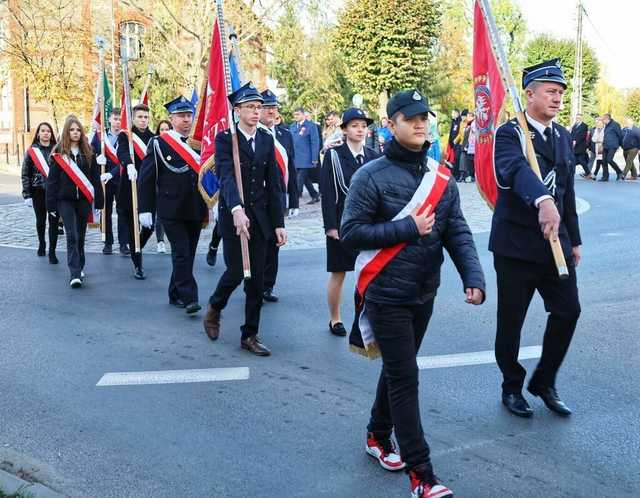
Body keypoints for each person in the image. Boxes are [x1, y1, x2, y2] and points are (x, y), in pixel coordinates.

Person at [341, 89, 485, 498]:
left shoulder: (440, 175)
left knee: (397, 368)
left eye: (425, 117)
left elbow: (456, 229)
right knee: (406, 376)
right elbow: (351, 233)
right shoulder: (369, 175)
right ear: (392, 124)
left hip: (424, 290)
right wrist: (406, 228)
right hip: (386, 293)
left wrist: (472, 275)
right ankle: (422, 475)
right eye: (411, 117)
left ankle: (376, 433)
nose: (421, 123)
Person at [491, 58, 582, 419]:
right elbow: (513, 170)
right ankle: (511, 385)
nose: (557, 98)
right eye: (550, 91)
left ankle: (544, 381)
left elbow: (567, 193)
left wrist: (574, 238)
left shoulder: (561, 135)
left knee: (569, 311)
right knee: (511, 321)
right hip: (516, 246)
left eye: (560, 92)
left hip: (555, 245)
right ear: (529, 95)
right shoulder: (510, 133)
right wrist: (542, 200)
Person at [202, 82, 286, 356]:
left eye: (258, 107)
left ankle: (249, 335)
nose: (255, 111)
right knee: (238, 271)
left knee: (257, 281)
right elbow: (225, 175)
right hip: (233, 217)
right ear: (237, 110)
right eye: (249, 107)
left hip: (260, 219)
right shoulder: (227, 139)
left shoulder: (265, 139)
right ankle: (215, 307)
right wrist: (236, 208)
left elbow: (273, 184)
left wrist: (278, 223)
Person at [138, 96, 207, 314]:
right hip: (171, 209)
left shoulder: (200, 143)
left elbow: (208, 175)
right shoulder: (159, 143)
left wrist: (213, 200)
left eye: (189, 115)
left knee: (189, 253)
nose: (186, 120)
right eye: (181, 116)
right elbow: (146, 178)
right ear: (171, 118)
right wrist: (145, 208)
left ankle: (174, 292)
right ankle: (190, 297)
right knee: (181, 253)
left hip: (195, 207)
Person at [320, 107, 378, 336]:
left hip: (369, 224)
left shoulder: (374, 156)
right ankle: (335, 318)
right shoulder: (333, 155)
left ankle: (370, 316)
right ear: (344, 129)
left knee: (371, 271)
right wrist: (331, 226)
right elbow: (327, 193)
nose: (360, 130)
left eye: (363, 126)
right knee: (339, 272)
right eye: (354, 126)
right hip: (343, 224)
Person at [46, 116, 104, 288]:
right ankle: (74, 273)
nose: (75, 132)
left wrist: (99, 200)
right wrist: (51, 206)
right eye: (72, 130)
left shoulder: (89, 151)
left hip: (83, 200)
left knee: (81, 235)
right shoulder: (59, 153)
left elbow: (94, 177)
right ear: (66, 132)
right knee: (72, 235)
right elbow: (52, 181)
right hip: (65, 200)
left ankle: (80, 264)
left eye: (78, 130)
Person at [106, 103, 155, 278]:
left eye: (146, 117)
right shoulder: (126, 136)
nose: (143, 120)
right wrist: (128, 165)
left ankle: (137, 247)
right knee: (134, 228)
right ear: (133, 118)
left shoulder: (153, 137)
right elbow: (123, 153)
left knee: (150, 226)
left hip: (148, 190)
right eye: (140, 117)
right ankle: (138, 265)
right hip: (129, 189)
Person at [259, 89, 298, 303]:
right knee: (260, 242)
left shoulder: (284, 135)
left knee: (275, 241)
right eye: (267, 107)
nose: (272, 111)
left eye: (274, 107)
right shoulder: (253, 134)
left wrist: (293, 200)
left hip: (277, 198)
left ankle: (267, 286)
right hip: (258, 198)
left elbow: (290, 167)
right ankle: (254, 282)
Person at [91, 107, 128, 255]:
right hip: (104, 179)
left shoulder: (127, 136)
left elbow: (127, 158)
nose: (118, 122)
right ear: (110, 120)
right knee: (105, 211)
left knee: (122, 212)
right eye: (115, 119)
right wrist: (96, 159)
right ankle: (108, 242)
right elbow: (90, 152)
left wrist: (113, 173)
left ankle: (123, 243)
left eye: (120, 119)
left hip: (121, 178)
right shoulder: (100, 136)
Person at [21, 122, 59, 264]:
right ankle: (42, 243)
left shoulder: (57, 149)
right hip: (38, 191)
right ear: (38, 133)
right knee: (41, 220)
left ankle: (52, 251)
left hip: (54, 192)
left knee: (54, 221)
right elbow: (25, 174)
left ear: (51, 133)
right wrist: (27, 194)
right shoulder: (32, 151)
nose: (46, 133)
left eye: (48, 131)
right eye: (43, 131)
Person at [291, 107, 320, 204]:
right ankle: (315, 195)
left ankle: (294, 200)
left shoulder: (311, 126)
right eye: (294, 115)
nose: (296, 116)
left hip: (306, 158)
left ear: (303, 115)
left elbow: (315, 142)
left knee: (299, 179)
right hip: (295, 158)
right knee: (305, 179)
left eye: (298, 114)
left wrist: (314, 158)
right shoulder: (292, 126)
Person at [153, 119, 173, 252]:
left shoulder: (177, 144)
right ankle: (160, 241)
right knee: (160, 214)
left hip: (173, 185)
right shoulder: (155, 143)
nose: (165, 132)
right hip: (158, 184)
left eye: (167, 129)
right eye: (162, 129)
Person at [601, 113, 623, 181]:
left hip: (613, 145)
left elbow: (620, 135)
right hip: (605, 146)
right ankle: (605, 177)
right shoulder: (606, 126)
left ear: (607, 119)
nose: (602, 121)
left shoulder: (615, 125)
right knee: (604, 161)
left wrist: (619, 145)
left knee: (609, 160)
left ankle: (619, 172)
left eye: (603, 119)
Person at [570, 113, 591, 179]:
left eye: (579, 117)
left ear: (581, 118)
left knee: (582, 161)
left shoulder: (584, 126)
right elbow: (572, 134)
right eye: (577, 117)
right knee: (573, 160)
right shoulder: (574, 125)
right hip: (574, 146)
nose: (577, 119)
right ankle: (572, 174)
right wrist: (571, 140)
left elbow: (582, 136)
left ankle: (588, 173)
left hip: (581, 146)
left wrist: (575, 141)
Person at [459, 110, 476, 182]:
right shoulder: (467, 124)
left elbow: (473, 134)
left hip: (472, 146)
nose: (467, 117)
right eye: (467, 116)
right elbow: (462, 135)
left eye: (469, 116)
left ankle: (472, 176)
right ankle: (466, 175)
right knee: (465, 161)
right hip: (466, 145)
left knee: (471, 161)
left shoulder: (474, 124)